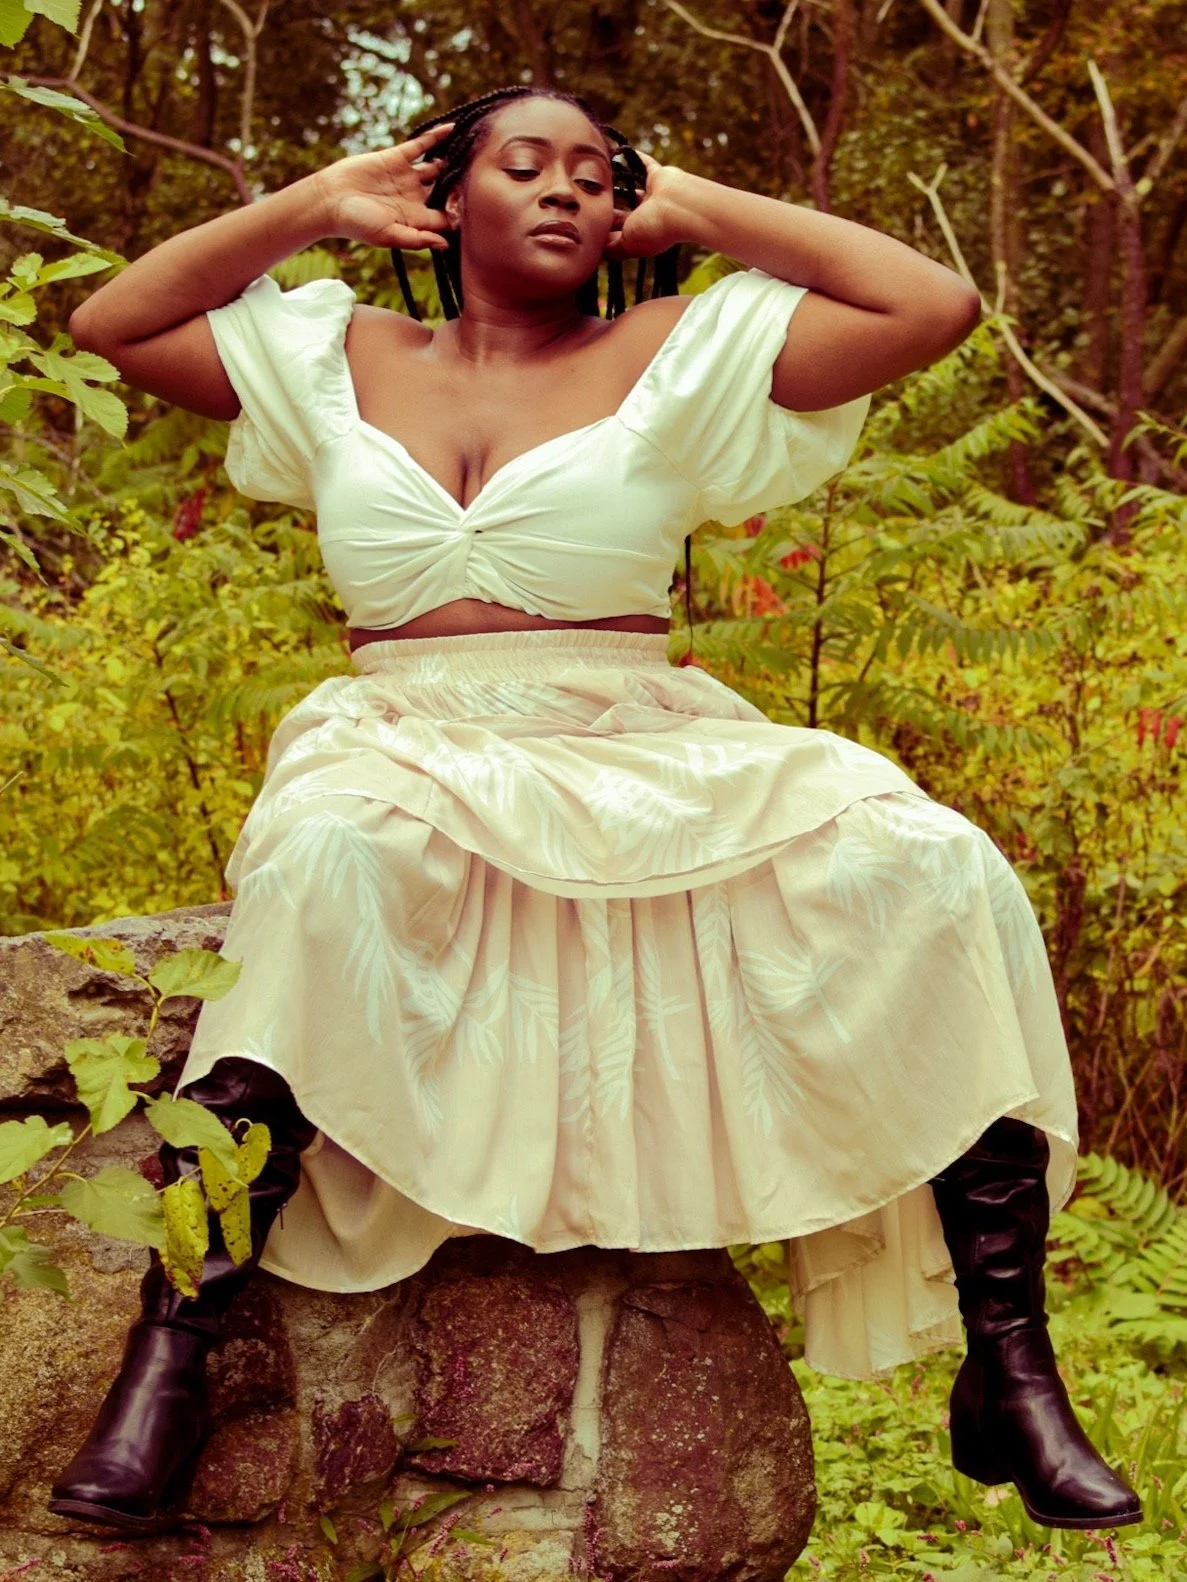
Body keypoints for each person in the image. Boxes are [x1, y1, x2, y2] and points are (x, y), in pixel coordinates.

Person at [50, 85, 1141, 1538]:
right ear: (444, 196)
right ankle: (169, 1353)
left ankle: (1011, 1372)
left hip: (631, 729)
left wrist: (694, 207)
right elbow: (109, 326)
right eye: (526, 164)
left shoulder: (673, 345)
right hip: (403, 732)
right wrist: (312, 204)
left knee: (926, 863)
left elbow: (928, 301)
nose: (567, 189)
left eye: (594, 173)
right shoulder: (330, 348)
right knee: (322, 859)